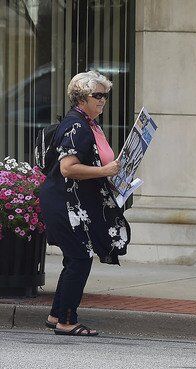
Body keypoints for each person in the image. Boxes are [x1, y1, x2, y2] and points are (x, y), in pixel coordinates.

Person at [39, 70, 131, 336]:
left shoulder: (88, 123)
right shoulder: (77, 126)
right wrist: (105, 172)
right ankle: (67, 321)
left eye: (105, 95)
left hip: (74, 202)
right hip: (65, 202)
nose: (103, 100)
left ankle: (57, 315)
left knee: (74, 258)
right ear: (81, 98)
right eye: (98, 95)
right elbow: (68, 168)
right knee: (80, 258)